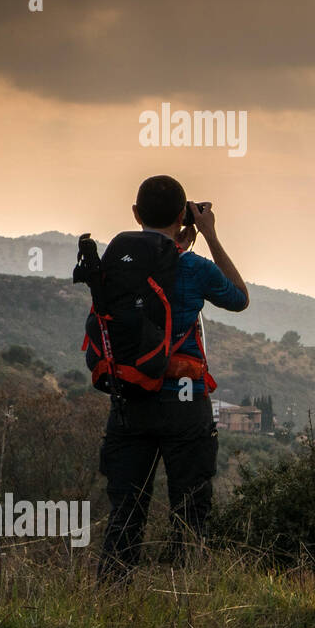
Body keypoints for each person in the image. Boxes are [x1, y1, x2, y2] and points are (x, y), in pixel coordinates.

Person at [97, 175, 248, 581]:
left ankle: (111, 597)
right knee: (190, 509)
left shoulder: (117, 266)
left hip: (130, 398)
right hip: (184, 400)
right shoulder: (194, 266)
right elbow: (238, 297)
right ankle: (185, 602)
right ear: (183, 215)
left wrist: (180, 238)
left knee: (126, 511)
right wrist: (210, 234)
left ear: (135, 214)